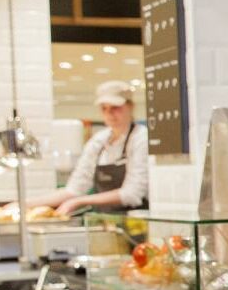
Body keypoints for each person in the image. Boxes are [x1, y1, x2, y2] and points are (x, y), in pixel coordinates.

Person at [18, 80, 149, 215]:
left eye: (115, 107)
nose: (110, 113)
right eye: (104, 108)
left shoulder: (141, 138)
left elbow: (132, 193)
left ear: (130, 106)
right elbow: (74, 189)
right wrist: (25, 204)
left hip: (137, 224)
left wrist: (80, 201)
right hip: (104, 223)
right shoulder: (98, 141)